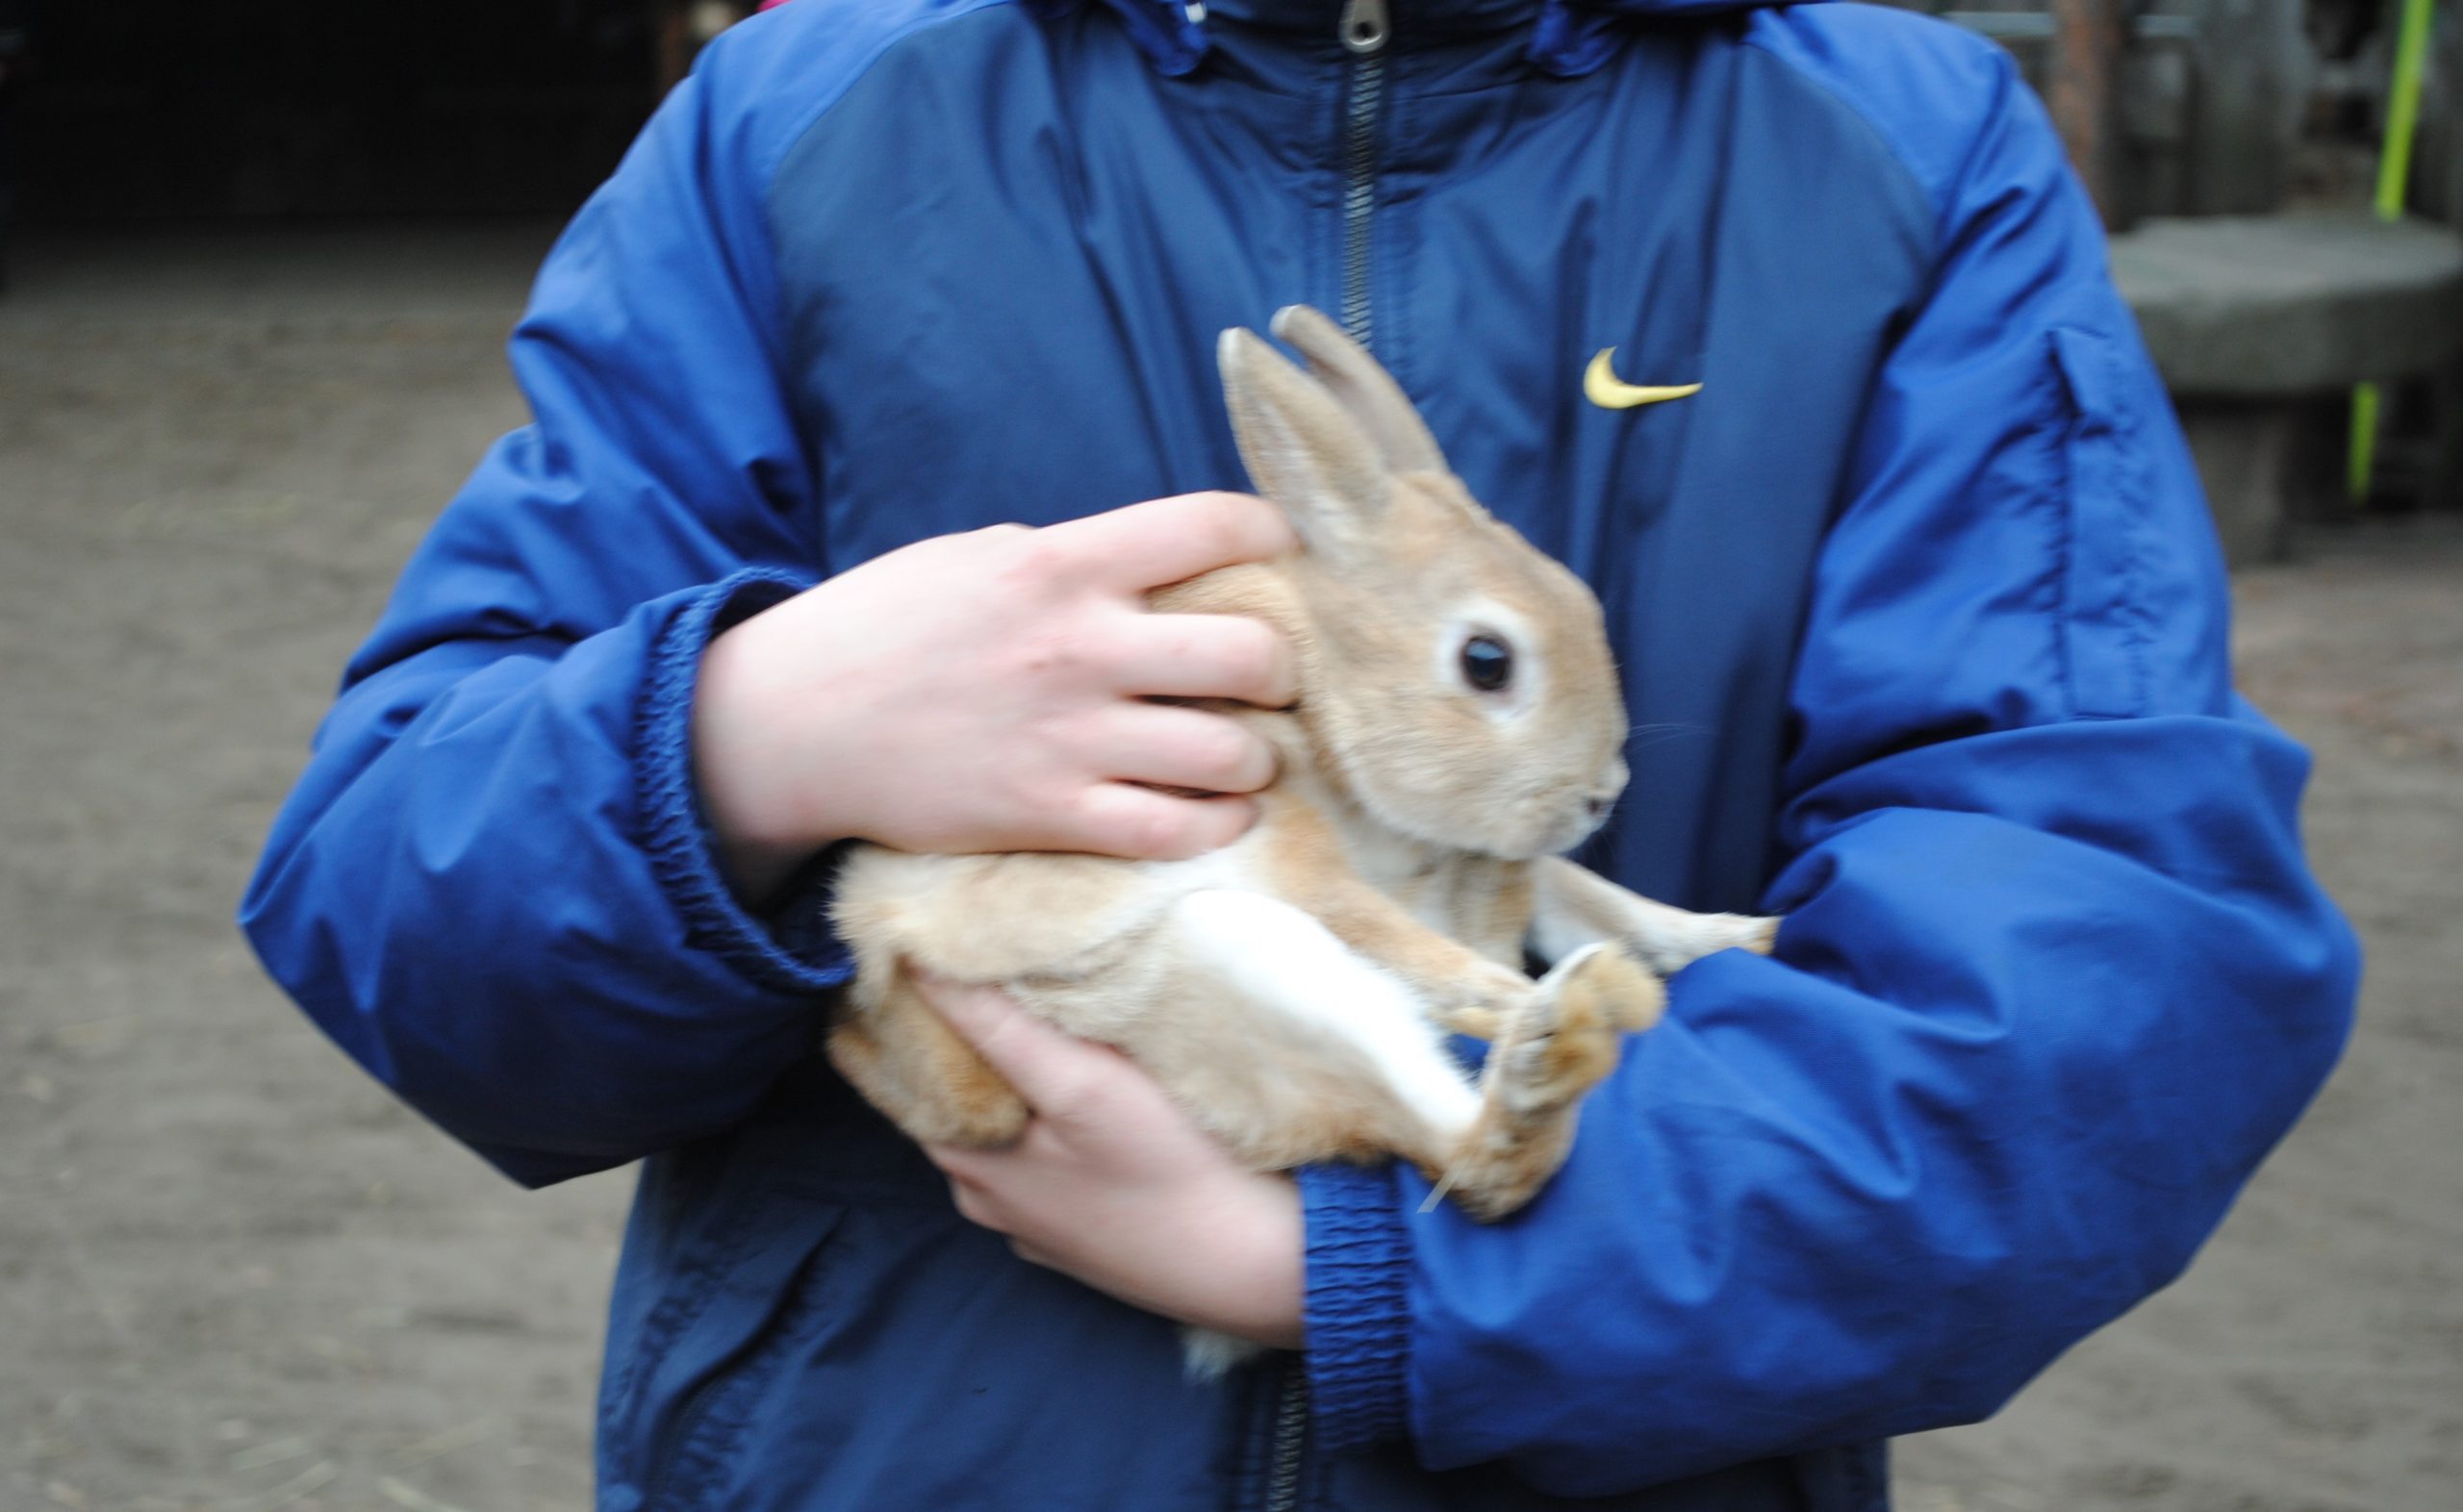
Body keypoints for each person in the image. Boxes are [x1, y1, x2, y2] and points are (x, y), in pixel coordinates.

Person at [239, 0, 2360, 1507]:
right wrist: (747, 734)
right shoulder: (811, 118)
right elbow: (385, 893)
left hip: (1602, 1438)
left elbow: (2103, 981)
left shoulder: (1892, 150)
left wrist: (1390, 1270)